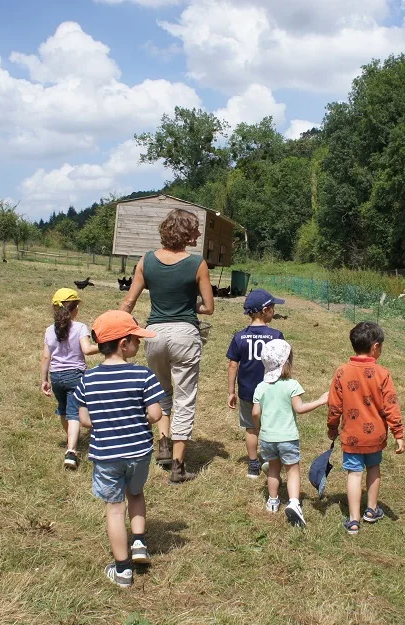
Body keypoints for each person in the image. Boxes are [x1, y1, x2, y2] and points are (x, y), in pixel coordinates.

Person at [119, 208, 215, 484]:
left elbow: (128, 302)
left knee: (161, 390)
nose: (198, 234)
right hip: (185, 334)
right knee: (185, 397)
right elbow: (208, 308)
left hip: (154, 333)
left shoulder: (146, 260)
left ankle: (162, 442)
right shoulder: (197, 263)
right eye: (195, 230)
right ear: (186, 233)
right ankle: (178, 465)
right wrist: (189, 305)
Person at [72, 310, 164, 587]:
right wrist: (138, 417)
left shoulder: (87, 380)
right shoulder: (143, 375)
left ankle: (122, 569)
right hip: (139, 452)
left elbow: (84, 419)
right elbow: (156, 414)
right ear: (124, 344)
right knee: (135, 493)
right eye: (136, 339)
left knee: (114, 508)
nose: (139, 343)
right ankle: (139, 543)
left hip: (107, 455)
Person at [327, 322, 404, 535]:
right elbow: (391, 405)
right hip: (375, 437)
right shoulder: (383, 373)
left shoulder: (342, 372)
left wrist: (332, 427)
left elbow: (334, 405)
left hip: (351, 436)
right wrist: (398, 433)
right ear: (375, 347)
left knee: (354, 474)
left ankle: (353, 520)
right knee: (373, 469)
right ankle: (371, 510)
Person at [252, 339, 328, 527]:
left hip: (267, 438)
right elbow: (300, 408)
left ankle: (273, 501)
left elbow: (255, 412)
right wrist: (319, 401)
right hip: (287, 438)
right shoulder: (291, 384)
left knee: (273, 469)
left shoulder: (260, 387)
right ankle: (294, 503)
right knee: (292, 471)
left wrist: (258, 426)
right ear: (286, 362)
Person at [226, 289, 286, 478]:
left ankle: (253, 464)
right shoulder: (276, 335)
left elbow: (233, 366)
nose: (274, 311)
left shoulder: (239, 337)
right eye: (273, 307)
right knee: (270, 425)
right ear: (265, 310)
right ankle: (269, 460)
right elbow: (284, 363)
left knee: (251, 428)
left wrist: (231, 391)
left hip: (247, 391)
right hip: (271, 391)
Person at [39, 288, 99, 470]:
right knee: (74, 413)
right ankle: (71, 451)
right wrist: (105, 346)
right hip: (76, 376)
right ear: (74, 309)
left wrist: (44, 379)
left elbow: (45, 357)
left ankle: (70, 438)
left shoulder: (49, 330)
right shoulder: (80, 327)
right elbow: (87, 350)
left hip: (56, 376)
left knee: (64, 410)